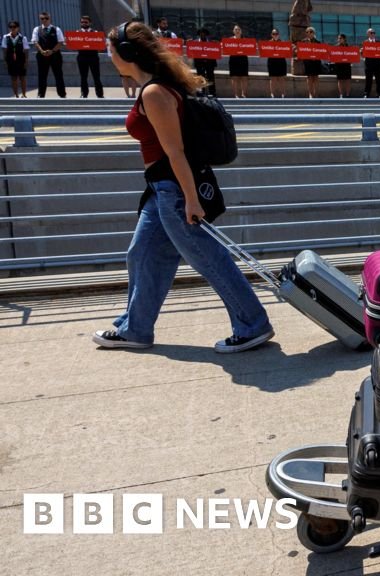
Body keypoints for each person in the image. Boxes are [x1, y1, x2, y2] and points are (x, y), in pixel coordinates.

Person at [94, 21, 273, 353]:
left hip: (174, 190)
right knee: (142, 254)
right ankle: (136, 329)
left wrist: (191, 199)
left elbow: (175, 152)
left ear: (128, 53)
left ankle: (253, 324)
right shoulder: (156, 87)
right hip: (161, 188)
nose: (109, 55)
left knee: (208, 257)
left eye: (111, 49)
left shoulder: (154, 93)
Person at [31, 11, 66, 98]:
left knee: (58, 75)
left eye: (46, 18)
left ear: (50, 19)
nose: (44, 20)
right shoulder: (37, 29)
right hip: (42, 56)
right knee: (42, 76)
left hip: (55, 55)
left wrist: (52, 51)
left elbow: (61, 42)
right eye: (42, 18)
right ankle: (41, 94)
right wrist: (42, 51)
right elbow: (35, 41)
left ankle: (62, 94)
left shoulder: (56, 29)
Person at [75, 15, 104, 98]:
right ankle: (84, 93)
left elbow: (100, 46)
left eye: (86, 22)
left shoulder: (95, 32)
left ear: (90, 23)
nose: (84, 23)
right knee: (83, 77)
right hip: (82, 57)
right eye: (82, 22)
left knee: (96, 76)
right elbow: (74, 46)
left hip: (93, 57)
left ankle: (100, 94)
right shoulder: (77, 33)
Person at [2, 20, 29, 98]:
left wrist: (26, 61)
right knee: (14, 78)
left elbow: (26, 50)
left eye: (14, 27)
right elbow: (4, 50)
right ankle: (16, 95)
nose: (12, 28)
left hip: (21, 60)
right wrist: (5, 61)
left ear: (18, 28)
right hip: (11, 60)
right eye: (11, 27)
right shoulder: (5, 37)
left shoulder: (23, 38)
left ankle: (24, 94)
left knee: (22, 78)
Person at [193, 28, 217, 97]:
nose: (202, 34)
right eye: (201, 33)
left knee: (211, 78)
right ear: (199, 34)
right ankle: (201, 93)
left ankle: (212, 93)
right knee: (200, 78)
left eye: (204, 33)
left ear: (206, 34)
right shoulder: (194, 43)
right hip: (199, 63)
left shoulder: (211, 42)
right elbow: (192, 52)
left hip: (210, 63)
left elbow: (214, 52)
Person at [298, 26, 321, 98]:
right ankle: (311, 94)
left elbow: (321, 52)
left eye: (311, 32)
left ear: (314, 33)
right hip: (308, 62)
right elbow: (301, 51)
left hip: (316, 62)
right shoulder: (303, 42)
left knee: (316, 78)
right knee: (309, 78)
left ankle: (316, 94)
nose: (309, 33)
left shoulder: (318, 42)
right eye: (307, 32)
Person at [228, 25, 248, 98]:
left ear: (241, 31)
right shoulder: (229, 40)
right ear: (233, 31)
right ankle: (236, 95)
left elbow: (250, 49)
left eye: (239, 29)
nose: (237, 31)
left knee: (244, 77)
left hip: (243, 60)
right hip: (233, 60)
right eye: (236, 29)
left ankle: (244, 94)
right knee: (234, 77)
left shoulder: (245, 40)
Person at [266, 29, 287, 98]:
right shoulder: (268, 43)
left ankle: (283, 94)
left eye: (276, 34)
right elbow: (265, 52)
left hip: (281, 62)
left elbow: (286, 52)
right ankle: (272, 94)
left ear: (279, 35)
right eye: (273, 34)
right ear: (271, 35)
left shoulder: (282, 43)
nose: (275, 35)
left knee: (281, 79)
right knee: (273, 79)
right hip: (272, 62)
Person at [363, 28, 380, 97]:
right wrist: (361, 51)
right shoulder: (365, 42)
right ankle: (366, 94)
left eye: (374, 33)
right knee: (368, 80)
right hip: (369, 65)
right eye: (371, 33)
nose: (373, 34)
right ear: (368, 34)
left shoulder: (379, 42)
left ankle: (379, 94)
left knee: (378, 80)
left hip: (378, 64)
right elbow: (363, 54)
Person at [332, 34, 352, 98]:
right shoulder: (336, 47)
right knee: (340, 80)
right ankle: (341, 94)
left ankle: (348, 94)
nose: (339, 39)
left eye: (340, 38)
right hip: (339, 65)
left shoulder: (348, 47)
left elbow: (352, 55)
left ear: (344, 39)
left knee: (348, 80)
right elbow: (333, 56)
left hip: (347, 65)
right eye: (338, 38)